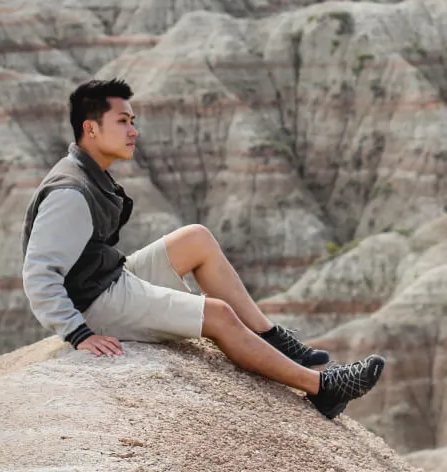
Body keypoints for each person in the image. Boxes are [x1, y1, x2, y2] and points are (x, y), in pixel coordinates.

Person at [21, 78, 385, 418]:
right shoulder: (70, 192)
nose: (134, 131)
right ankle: (322, 388)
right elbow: (39, 275)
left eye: (133, 121)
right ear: (91, 128)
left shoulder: (85, 172)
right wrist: (79, 333)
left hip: (105, 279)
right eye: (123, 121)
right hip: (96, 304)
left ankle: (269, 338)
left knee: (196, 238)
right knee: (220, 316)